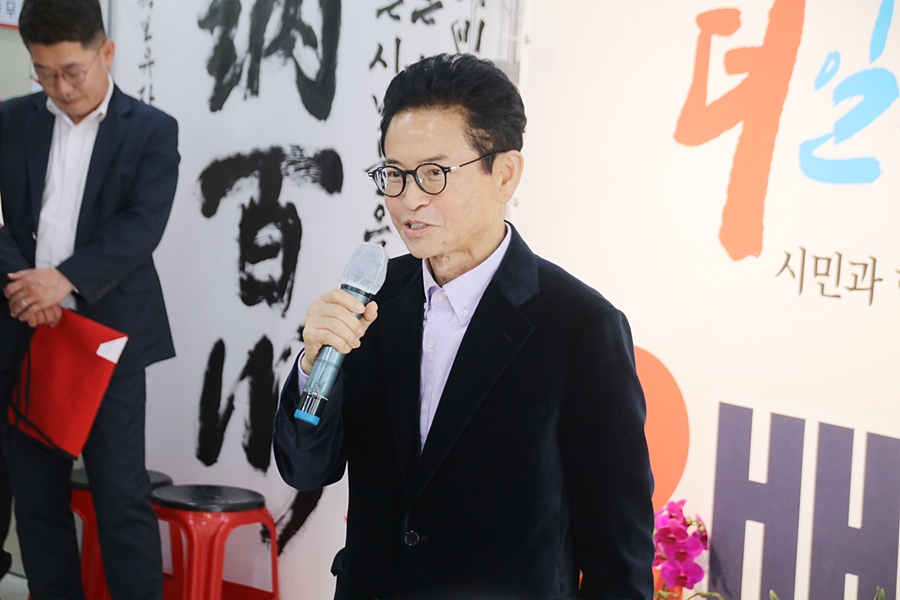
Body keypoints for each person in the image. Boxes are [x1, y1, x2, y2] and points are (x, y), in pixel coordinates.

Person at [274, 53, 654, 600]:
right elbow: (306, 469)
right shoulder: (372, 299)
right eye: (395, 175)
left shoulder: (581, 328)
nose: (409, 200)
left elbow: (618, 550)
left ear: (505, 174)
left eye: (434, 173)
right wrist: (315, 366)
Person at [0, 0, 179, 597]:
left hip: (106, 340)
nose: (61, 88)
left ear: (107, 52)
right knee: (36, 500)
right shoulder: (11, 120)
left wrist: (64, 280)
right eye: (44, 73)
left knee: (121, 497)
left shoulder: (151, 130)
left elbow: (141, 227)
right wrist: (27, 286)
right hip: (25, 329)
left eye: (72, 72)